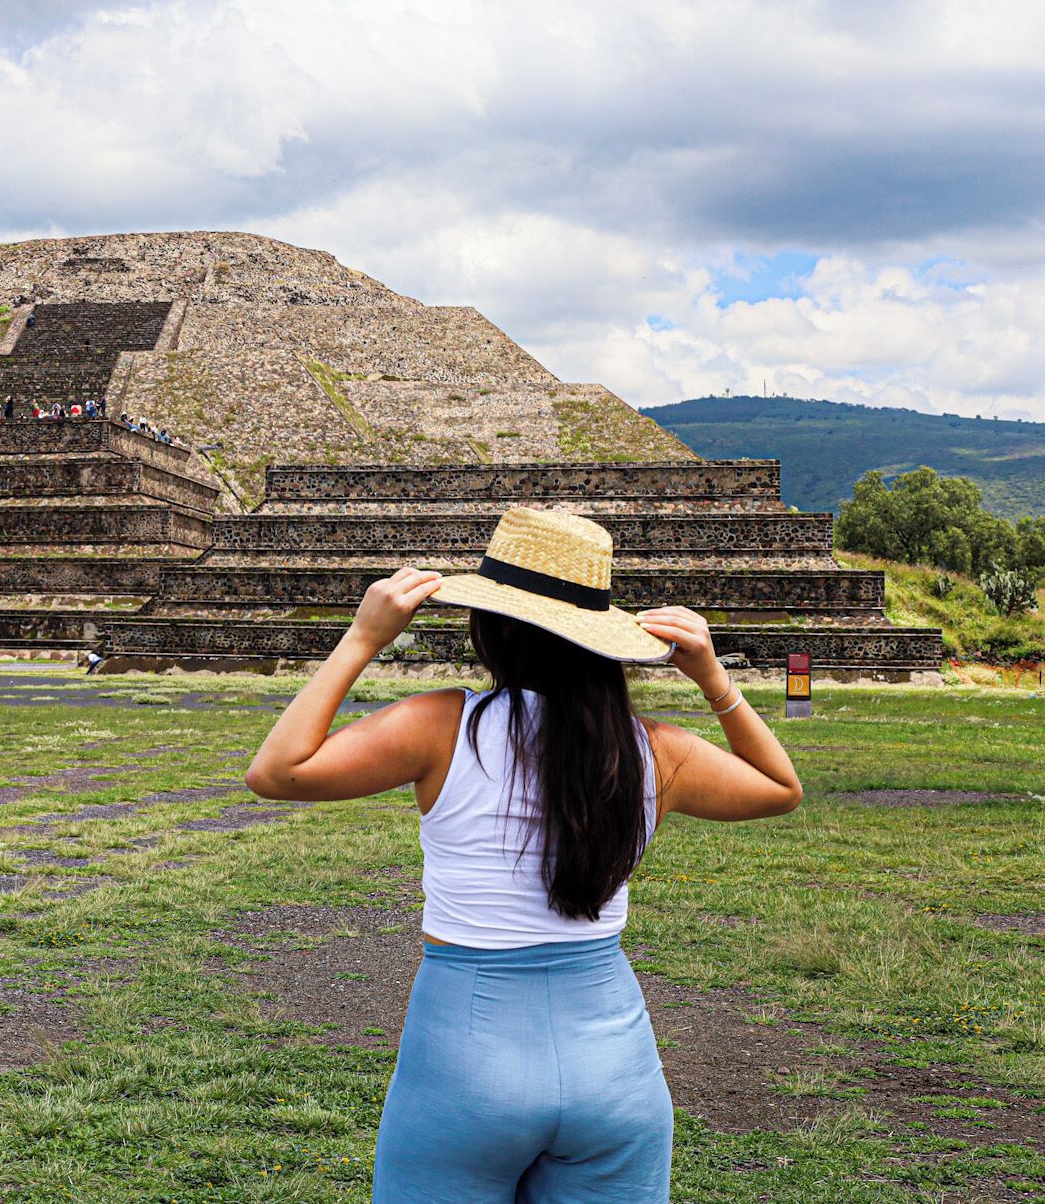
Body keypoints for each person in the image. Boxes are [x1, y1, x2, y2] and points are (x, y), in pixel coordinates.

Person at [244, 508, 802, 1203]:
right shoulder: (655, 751)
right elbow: (780, 787)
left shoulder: (441, 724)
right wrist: (713, 678)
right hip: (616, 1070)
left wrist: (363, 638)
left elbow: (277, 771)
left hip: (465, 1060)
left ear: (493, 628)